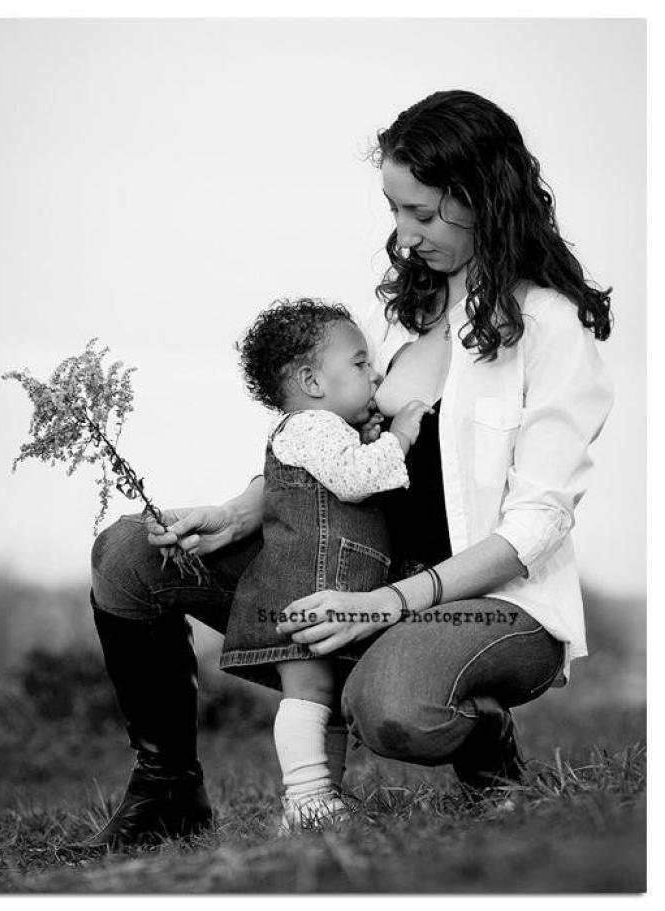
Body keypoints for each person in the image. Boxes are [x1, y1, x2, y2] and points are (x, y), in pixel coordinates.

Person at [81, 89, 613, 851]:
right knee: (132, 553)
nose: (403, 234)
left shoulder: (552, 329)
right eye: (395, 210)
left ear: (485, 201)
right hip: (359, 571)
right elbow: (335, 447)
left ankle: (482, 734)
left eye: (423, 215)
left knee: (391, 706)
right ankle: (169, 789)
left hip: (495, 604)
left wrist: (390, 605)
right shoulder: (403, 319)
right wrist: (238, 510)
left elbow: (537, 523)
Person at [218, 297, 430, 831]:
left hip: (333, 586)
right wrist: (400, 436)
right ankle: (306, 797)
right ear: (313, 382)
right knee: (309, 694)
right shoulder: (310, 428)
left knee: (327, 699)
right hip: (307, 586)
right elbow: (356, 478)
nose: (375, 374)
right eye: (360, 364)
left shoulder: (334, 431)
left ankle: (321, 805)